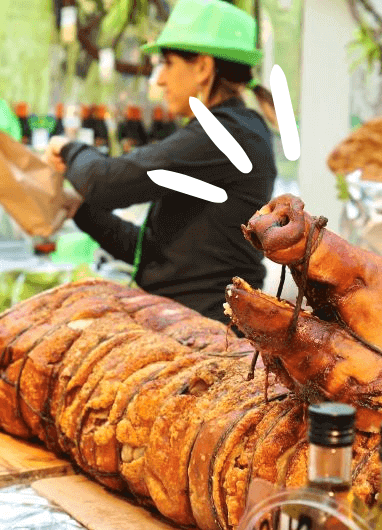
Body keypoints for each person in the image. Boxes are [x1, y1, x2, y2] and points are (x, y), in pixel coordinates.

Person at [46, 0, 279, 325]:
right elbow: (150, 254)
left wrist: (69, 149)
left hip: (207, 337)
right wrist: (79, 210)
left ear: (202, 68)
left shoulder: (226, 134)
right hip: (186, 322)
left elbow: (104, 182)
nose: (159, 80)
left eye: (167, 64)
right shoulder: (232, 131)